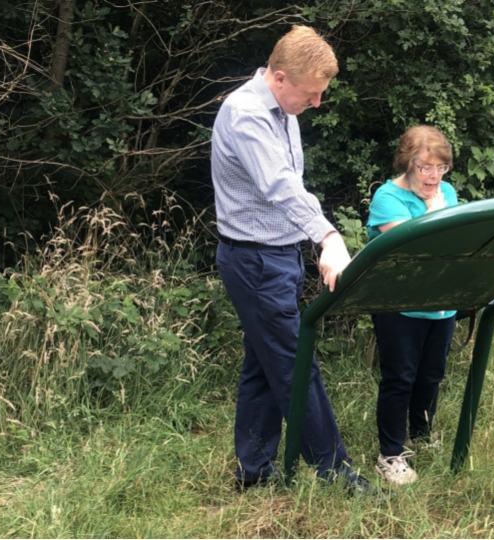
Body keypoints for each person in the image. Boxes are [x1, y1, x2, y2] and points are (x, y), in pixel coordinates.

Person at [211, 25, 370, 493]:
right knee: (295, 362)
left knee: (263, 365)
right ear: (279, 77)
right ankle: (335, 472)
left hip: (277, 256)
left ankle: (254, 473)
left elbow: (292, 186)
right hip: (255, 262)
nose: (317, 103)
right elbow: (280, 185)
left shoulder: (284, 108)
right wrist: (328, 236)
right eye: (312, 94)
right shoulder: (246, 114)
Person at [366, 125, 459, 485]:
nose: (434, 177)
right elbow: (417, 250)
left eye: (441, 168)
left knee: (431, 375)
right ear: (407, 164)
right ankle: (390, 454)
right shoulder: (387, 199)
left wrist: (439, 210)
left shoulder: (446, 192)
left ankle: (420, 435)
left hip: (441, 303)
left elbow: (457, 245)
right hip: (399, 303)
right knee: (399, 378)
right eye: (425, 167)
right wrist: (435, 212)